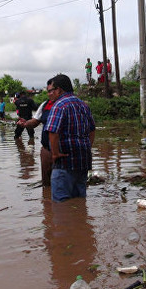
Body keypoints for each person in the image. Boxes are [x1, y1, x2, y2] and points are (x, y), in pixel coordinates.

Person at [44, 74, 95, 202]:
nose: (50, 94)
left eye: (52, 90)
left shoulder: (59, 105)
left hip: (64, 162)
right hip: (83, 162)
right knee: (79, 201)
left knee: (61, 205)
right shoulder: (83, 105)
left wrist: (55, 154)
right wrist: (87, 147)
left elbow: (53, 132)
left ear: (59, 90)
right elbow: (92, 130)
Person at [16, 90, 57, 186]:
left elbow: (19, 111)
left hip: (25, 120)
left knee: (17, 136)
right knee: (31, 136)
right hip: (29, 119)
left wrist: (25, 123)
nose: (49, 93)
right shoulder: (42, 104)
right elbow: (35, 110)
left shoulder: (17, 101)